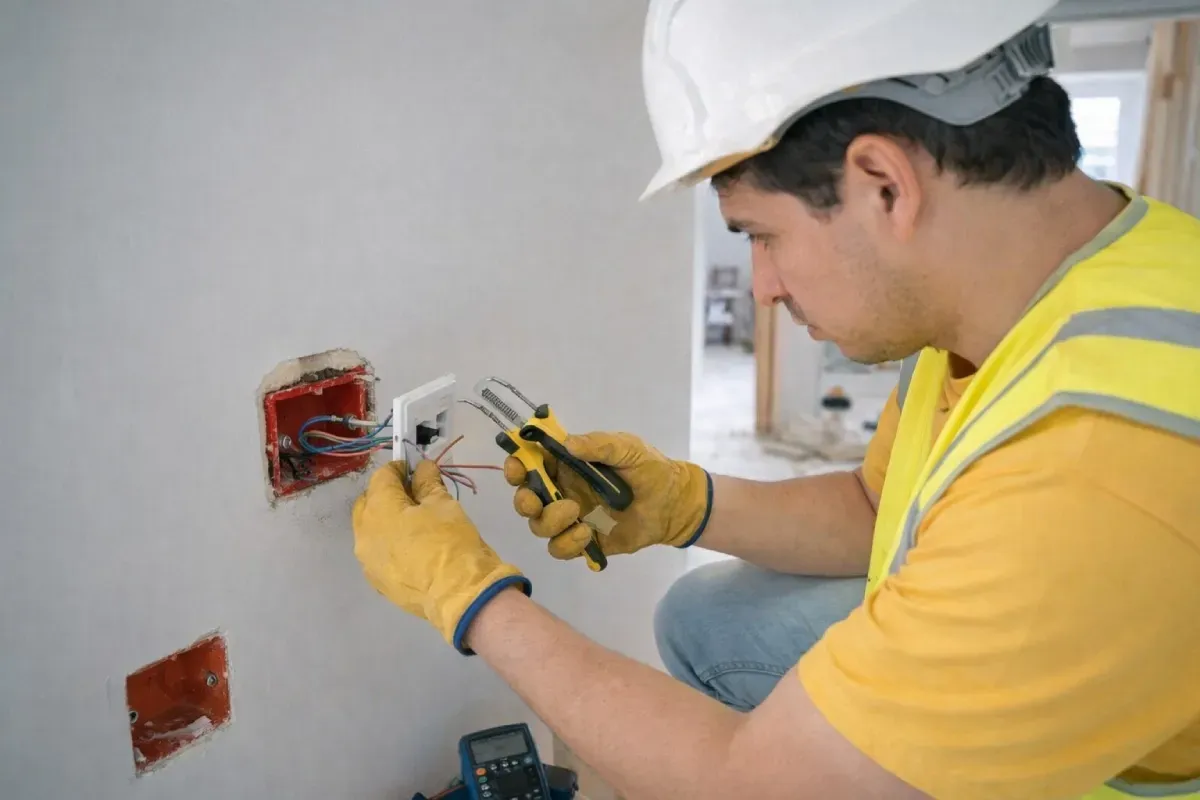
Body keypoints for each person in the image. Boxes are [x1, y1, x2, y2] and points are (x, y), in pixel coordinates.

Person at [351, 1, 1200, 797]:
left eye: (762, 234)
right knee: (708, 615)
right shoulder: (1062, 284)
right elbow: (880, 509)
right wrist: (684, 502)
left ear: (884, 184)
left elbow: (754, 784)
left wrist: (470, 598)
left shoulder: (1090, 470)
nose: (761, 286)